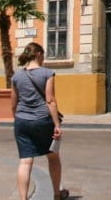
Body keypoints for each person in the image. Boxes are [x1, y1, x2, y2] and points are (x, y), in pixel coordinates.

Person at [11, 42, 68, 199]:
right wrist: (57, 124)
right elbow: (50, 100)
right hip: (43, 120)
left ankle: (23, 198)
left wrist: (19, 119)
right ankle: (56, 194)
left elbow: (13, 103)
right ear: (38, 54)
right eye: (43, 55)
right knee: (53, 156)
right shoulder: (47, 73)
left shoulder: (16, 76)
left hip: (22, 120)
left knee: (25, 161)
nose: (43, 59)